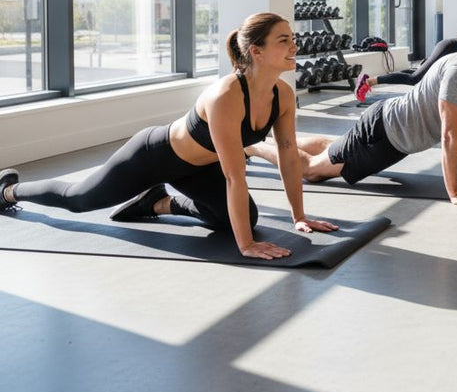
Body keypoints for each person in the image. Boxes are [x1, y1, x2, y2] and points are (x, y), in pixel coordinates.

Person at [0, 13, 337, 260]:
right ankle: (10, 190)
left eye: (293, 38)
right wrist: (246, 246)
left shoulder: (283, 95)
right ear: (257, 51)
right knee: (79, 200)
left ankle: (159, 202)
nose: (295, 45)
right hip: (154, 155)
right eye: (284, 40)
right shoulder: (226, 96)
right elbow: (235, 176)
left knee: (239, 218)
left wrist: (299, 216)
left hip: (199, 167)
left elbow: (289, 155)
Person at [267, 15, 457, 209]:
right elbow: (450, 135)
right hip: (384, 132)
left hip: (398, 138)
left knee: (332, 146)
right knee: (313, 171)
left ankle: (271, 141)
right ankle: (254, 146)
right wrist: (454, 191)